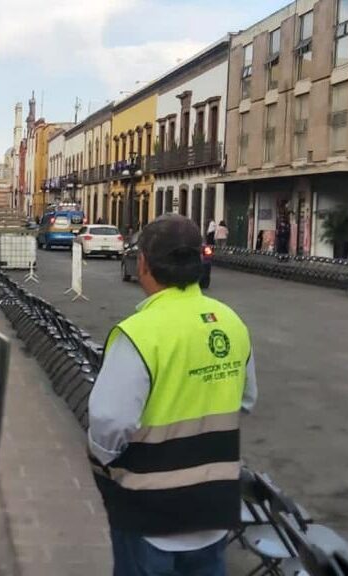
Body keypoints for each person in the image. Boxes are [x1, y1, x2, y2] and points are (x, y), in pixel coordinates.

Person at [87, 215, 256, 576]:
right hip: (212, 507)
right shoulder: (231, 322)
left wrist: (105, 464)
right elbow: (246, 399)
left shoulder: (139, 333)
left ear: (144, 263)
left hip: (150, 509)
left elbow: (108, 422)